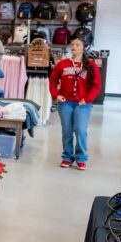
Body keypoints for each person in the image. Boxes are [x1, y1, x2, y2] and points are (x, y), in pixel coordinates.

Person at [49, 38, 100, 170]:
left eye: (77, 45)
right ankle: (66, 157)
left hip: (82, 104)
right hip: (65, 103)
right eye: (72, 44)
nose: (74, 46)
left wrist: (87, 99)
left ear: (84, 48)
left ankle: (81, 158)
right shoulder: (63, 64)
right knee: (67, 131)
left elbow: (96, 86)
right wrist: (56, 95)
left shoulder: (91, 65)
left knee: (81, 130)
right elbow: (53, 81)